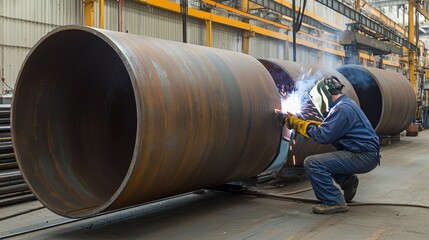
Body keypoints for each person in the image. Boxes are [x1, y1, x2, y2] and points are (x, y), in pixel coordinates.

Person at [284, 76, 380, 214]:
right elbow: (329, 127)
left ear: (324, 95)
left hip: (363, 156)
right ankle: (347, 180)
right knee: (329, 160)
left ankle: (334, 201)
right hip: (366, 153)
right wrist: (303, 123)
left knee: (313, 163)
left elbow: (323, 135)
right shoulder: (346, 104)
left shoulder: (341, 109)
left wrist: (297, 124)